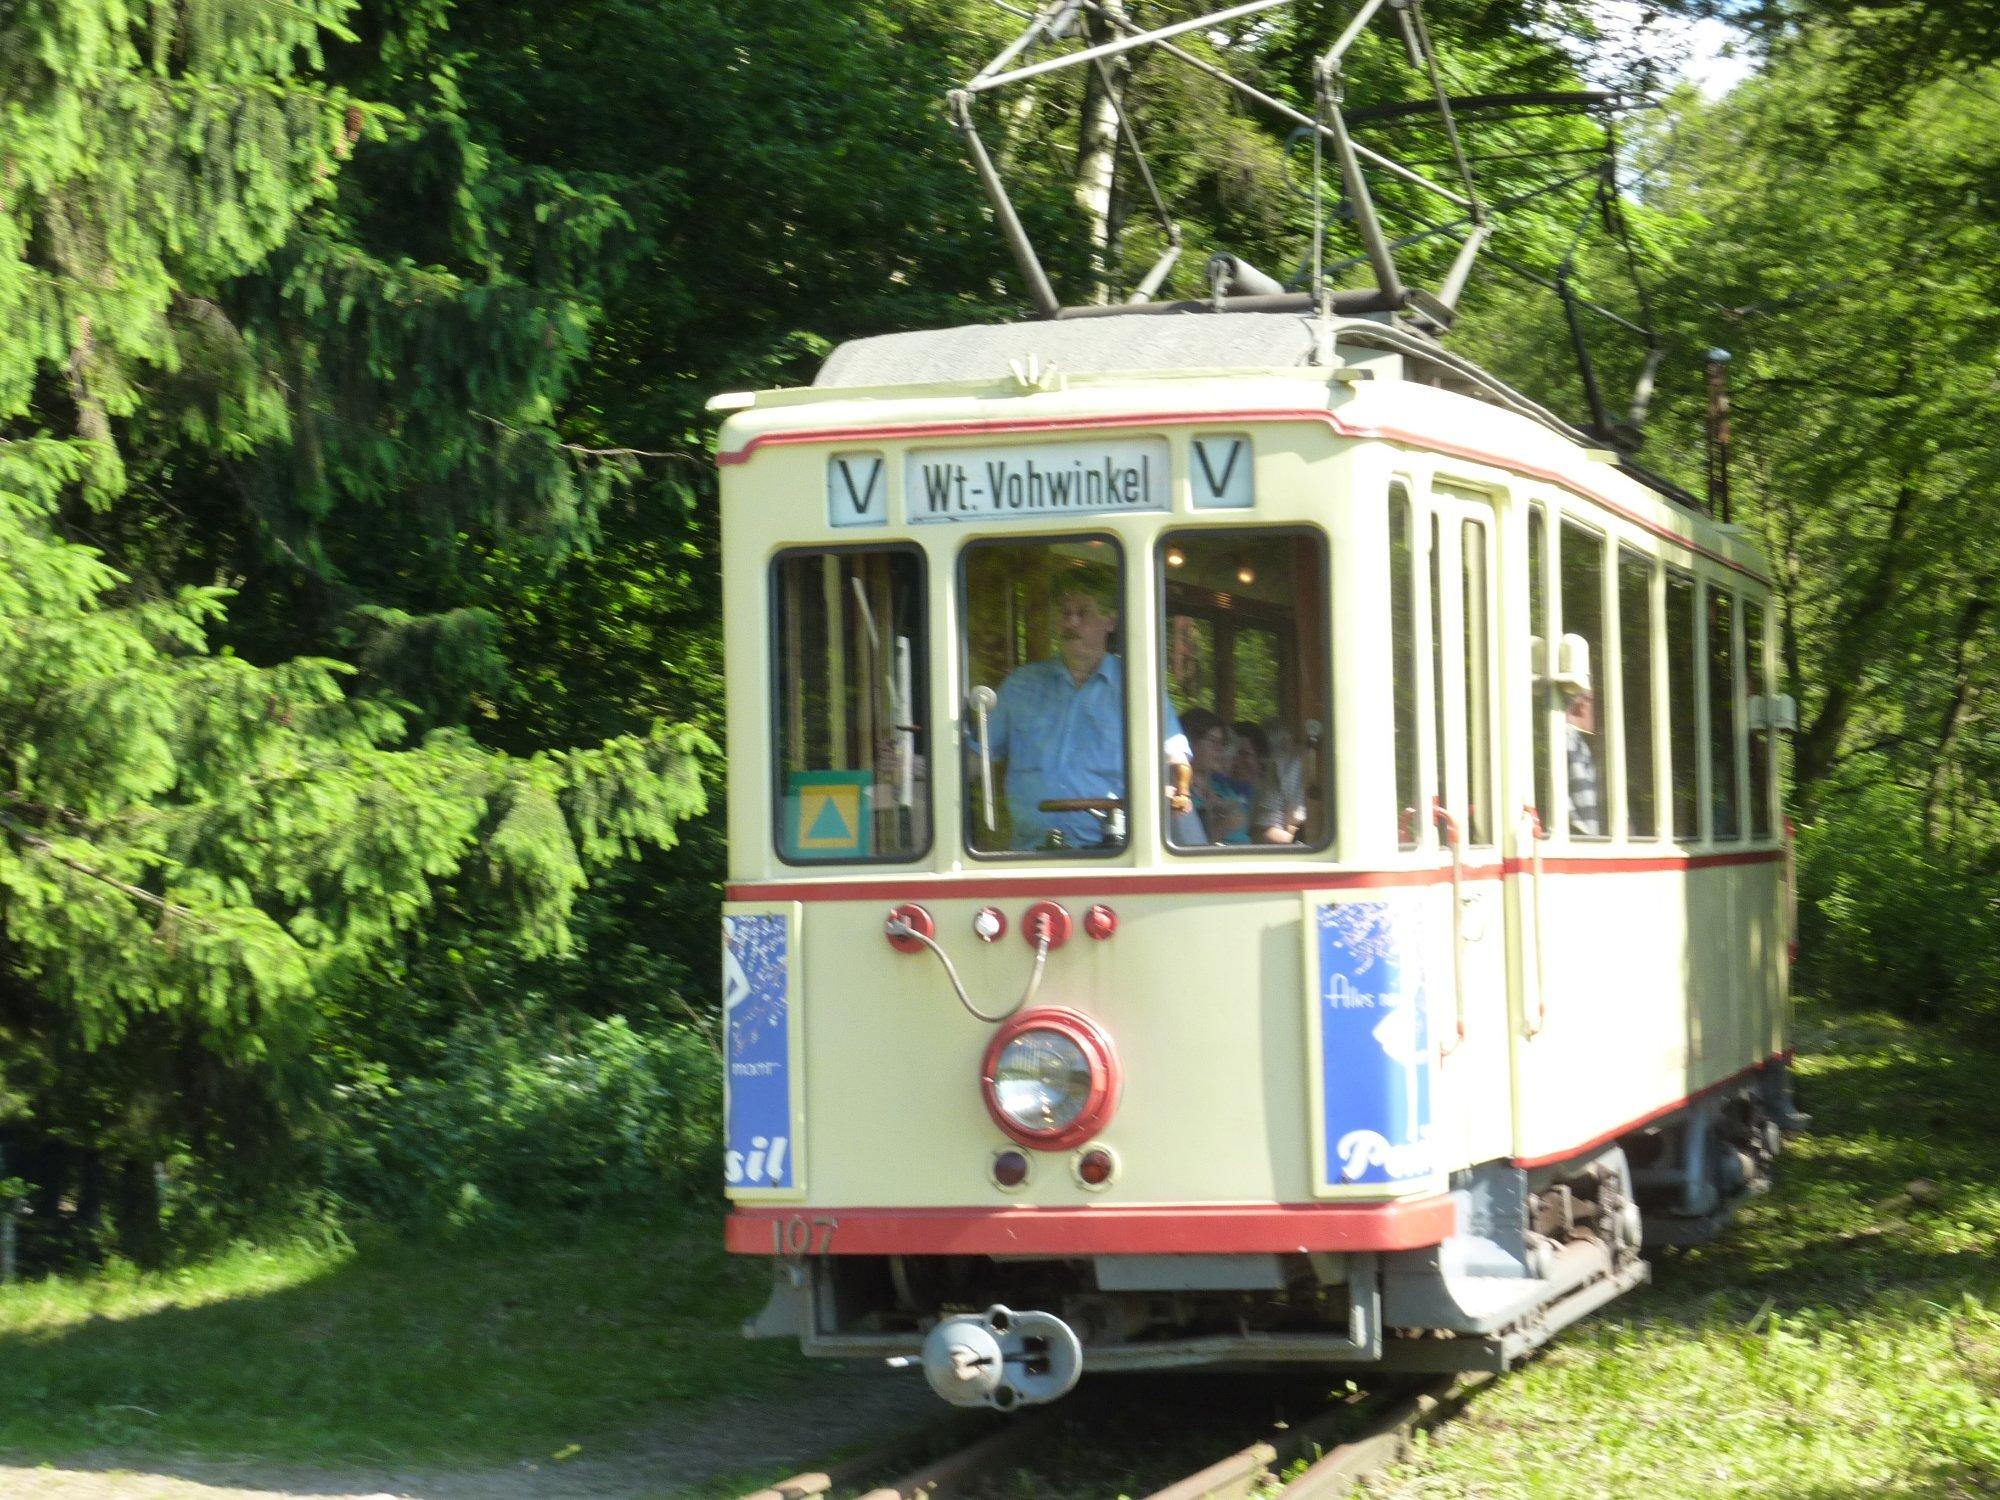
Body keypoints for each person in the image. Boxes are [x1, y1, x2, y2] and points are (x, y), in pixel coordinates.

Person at [979, 564, 1191, 850]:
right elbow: (975, 755)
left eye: (1083, 612)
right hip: (1028, 856)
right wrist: (917, 767)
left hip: (1114, 853)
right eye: (1065, 613)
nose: (1071, 622)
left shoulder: (1138, 688)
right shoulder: (1021, 686)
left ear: (1110, 621)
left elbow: (1176, 757)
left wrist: (1179, 791)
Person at [1181, 708, 1251, 844]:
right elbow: (1188, 854)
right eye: (1213, 741)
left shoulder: (1224, 789)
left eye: (1222, 743)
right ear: (1190, 743)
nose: (1220, 749)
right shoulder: (1179, 793)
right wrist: (1224, 825)